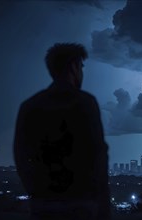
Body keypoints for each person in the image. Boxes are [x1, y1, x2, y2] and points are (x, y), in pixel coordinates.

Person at [13, 43, 110, 219]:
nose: (82, 72)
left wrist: (36, 192)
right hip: (81, 203)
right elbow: (99, 156)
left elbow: (20, 156)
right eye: (81, 66)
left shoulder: (30, 106)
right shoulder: (85, 103)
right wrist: (103, 206)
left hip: (43, 202)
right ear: (73, 66)